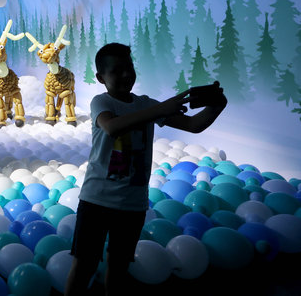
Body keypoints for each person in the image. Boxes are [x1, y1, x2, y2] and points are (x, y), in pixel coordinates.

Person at [65, 43, 227, 296]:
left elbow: (194, 125)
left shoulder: (146, 104)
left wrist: (217, 106)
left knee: (119, 267)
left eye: (129, 68)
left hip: (133, 204)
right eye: (116, 71)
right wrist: (160, 109)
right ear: (100, 78)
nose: (126, 75)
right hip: (96, 200)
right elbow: (112, 127)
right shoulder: (102, 102)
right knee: (85, 263)